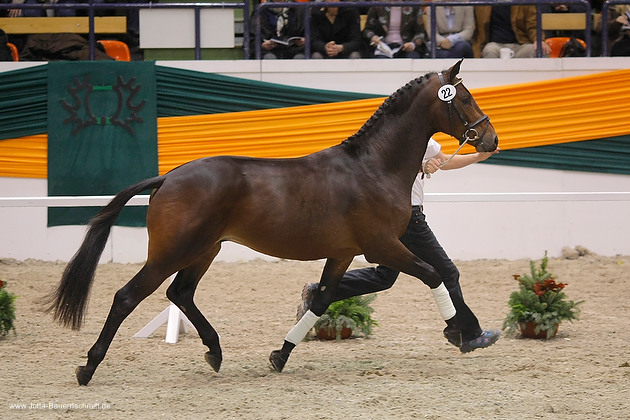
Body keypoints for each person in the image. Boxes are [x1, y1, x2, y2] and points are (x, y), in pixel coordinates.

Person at [296, 138, 501, 354]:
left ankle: (318, 290)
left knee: (384, 276)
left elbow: (443, 161)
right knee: (448, 272)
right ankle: (469, 334)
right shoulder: (407, 135)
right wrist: (420, 167)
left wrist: (478, 157)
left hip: (393, 216)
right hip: (408, 218)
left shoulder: (424, 140)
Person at [472, 3, 550, 58]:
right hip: (495, 45)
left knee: (541, 50)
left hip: (521, 45)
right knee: (489, 50)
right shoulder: (483, 4)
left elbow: (533, 24)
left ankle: (538, 82)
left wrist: (538, 40)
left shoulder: (525, 3)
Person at [362, 0, 427, 58]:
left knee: (413, 57)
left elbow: (420, 32)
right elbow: (367, 30)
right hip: (383, 47)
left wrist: (412, 44)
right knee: (380, 61)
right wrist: (373, 37)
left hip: (406, 47)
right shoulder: (377, 6)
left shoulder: (414, 6)